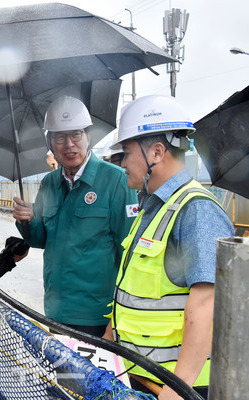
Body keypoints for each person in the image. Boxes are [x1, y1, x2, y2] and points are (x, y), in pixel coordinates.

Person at [104, 95, 235, 399]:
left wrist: (179, 389)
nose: (122, 163)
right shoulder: (152, 209)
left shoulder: (196, 211)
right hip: (139, 378)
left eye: (126, 153)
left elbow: (206, 306)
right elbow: (129, 293)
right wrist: (106, 348)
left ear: (157, 152)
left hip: (177, 387)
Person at [12, 96, 138, 337]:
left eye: (76, 135)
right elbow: (40, 239)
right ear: (50, 142)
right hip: (56, 309)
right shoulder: (49, 183)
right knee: (65, 376)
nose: (69, 144)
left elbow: (129, 252)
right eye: (60, 137)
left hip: (98, 314)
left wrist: (119, 316)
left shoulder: (115, 180)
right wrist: (27, 220)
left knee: (96, 376)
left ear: (88, 136)